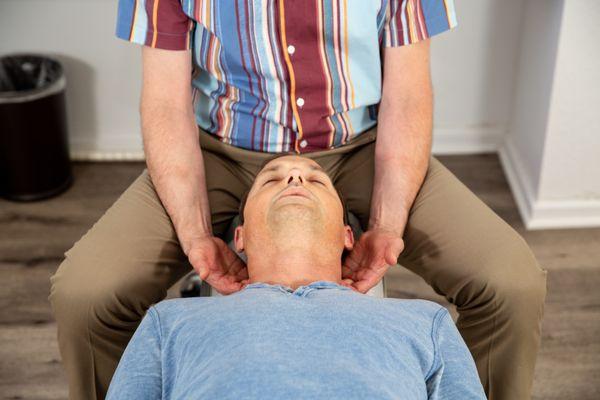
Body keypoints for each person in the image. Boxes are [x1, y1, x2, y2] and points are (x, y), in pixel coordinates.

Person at [49, 1, 547, 399]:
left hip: (362, 146)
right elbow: (164, 102)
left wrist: (389, 222)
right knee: (86, 294)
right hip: (219, 148)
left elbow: (409, 96)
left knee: (510, 284)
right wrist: (195, 231)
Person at [105, 154, 487, 399]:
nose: (294, 179)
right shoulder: (169, 322)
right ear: (239, 237)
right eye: (272, 179)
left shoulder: (424, 322)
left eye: (316, 180)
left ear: (346, 234)